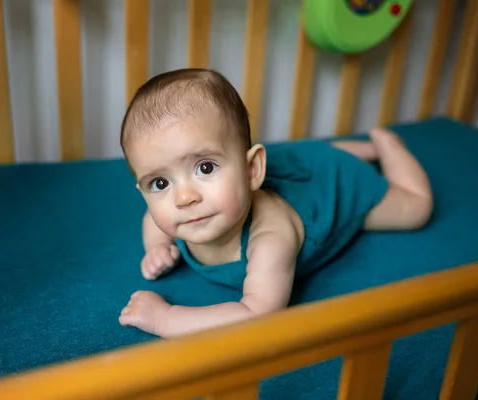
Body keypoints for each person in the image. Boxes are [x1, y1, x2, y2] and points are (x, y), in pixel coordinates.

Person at [118, 68, 433, 338]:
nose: (184, 198)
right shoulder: (186, 211)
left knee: (416, 209)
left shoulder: (270, 236)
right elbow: (152, 217)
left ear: (253, 169)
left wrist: (165, 317)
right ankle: (339, 149)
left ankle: (385, 144)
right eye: (160, 183)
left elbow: (258, 313)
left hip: (334, 186)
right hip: (296, 165)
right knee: (309, 157)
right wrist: (157, 246)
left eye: (205, 167)